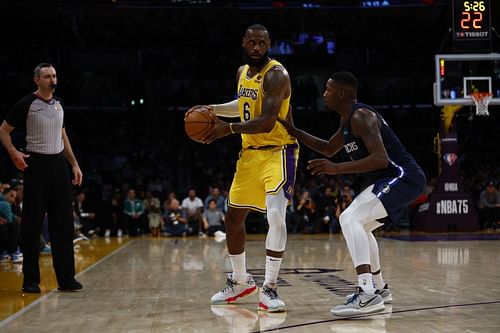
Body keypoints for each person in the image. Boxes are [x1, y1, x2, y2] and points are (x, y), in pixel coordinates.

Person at [278, 71, 426, 316]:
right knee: (361, 226)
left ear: (342, 93)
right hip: (391, 180)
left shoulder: (361, 116)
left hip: (403, 177)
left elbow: (380, 159)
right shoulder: (347, 120)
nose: (323, 94)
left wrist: (336, 169)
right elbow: (327, 148)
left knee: (350, 219)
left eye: (327, 89)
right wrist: (293, 130)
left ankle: (367, 294)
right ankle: (379, 290)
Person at [188, 24, 299, 312]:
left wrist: (229, 128)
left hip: (279, 151)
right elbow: (243, 104)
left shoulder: (277, 74)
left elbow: (266, 120)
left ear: (269, 44)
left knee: (275, 215)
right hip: (250, 154)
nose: (257, 48)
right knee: (233, 219)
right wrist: (213, 110)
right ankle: (240, 280)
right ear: (244, 43)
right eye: (252, 42)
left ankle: (270, 288)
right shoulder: (241, 73)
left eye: (262, 43)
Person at [0, 63, 83, 293]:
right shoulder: (27, 103)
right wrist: (14, 152)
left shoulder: (60, 105)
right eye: (47, 76)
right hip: (35, 164)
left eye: (55, 75)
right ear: (37, 80)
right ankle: (30, 280)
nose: (52, 79)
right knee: (32, 225)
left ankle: (66, 279)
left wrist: (74, 163)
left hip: (58, 165)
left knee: (64, 224)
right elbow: (3, 130)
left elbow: (63, 135)